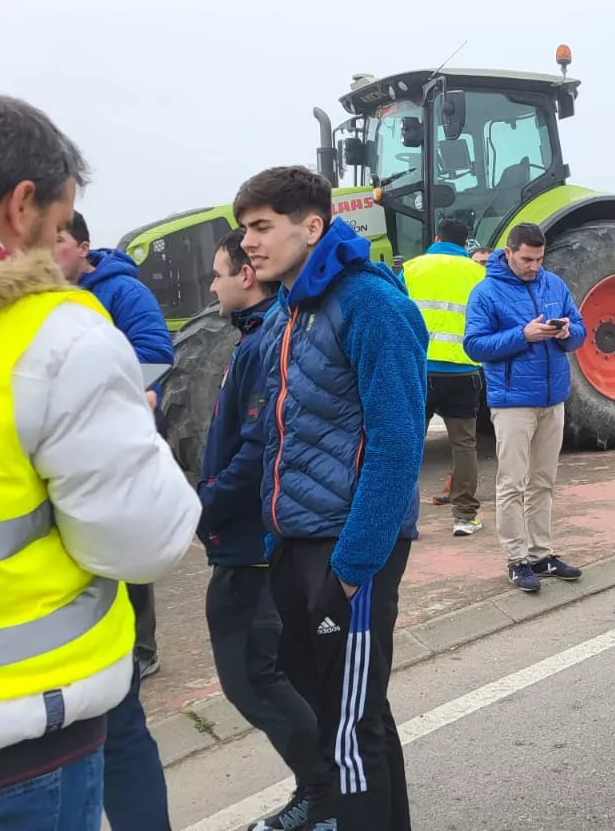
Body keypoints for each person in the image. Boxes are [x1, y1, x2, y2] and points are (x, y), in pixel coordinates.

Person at [0, 93, 198, 829]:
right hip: (8, 740)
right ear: (21, 205)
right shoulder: (49, 333)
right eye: (60, 227)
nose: (63, 252)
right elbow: (145, 540)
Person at [236, 166, 427, 829]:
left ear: (311, 226)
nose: (248, 243)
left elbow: (398, 445)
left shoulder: (369, 303)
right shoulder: (289, 311)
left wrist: (352, 569)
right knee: (350, 716)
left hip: (350, 550)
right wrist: (273, 540)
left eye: (261, 227)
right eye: (245, 229)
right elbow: (284, 436)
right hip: (297, 542)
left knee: (346, 736)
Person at [197, 230, 331, 830]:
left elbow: (258, 450)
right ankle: (326, 792)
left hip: (251, 541)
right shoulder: (253, 338)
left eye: (219, 273)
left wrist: (202, 506)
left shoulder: (262, 343)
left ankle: (323, 797)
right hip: (246, 538)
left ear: (246, 277)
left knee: (254, 678)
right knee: (263, 677)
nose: (212, 284)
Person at [52, 210, 173, 676]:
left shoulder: (124, 292)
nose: (48, 249)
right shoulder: (40, 297)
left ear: (84, 247)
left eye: (58, 239)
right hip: (67, 438)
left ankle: (141, 649)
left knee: (124, 539)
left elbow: (155, 353)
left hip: (120, 433)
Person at [463, 223, 586, 592]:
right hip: (513, 401)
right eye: (527, 259)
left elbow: (580, 329)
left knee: (543, 481)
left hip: (553, 398)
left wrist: (566, 332)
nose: (534, 266)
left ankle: (541, 553)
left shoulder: (554, 284)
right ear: (510, 252)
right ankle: (516, 560)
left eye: (539, 259)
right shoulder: (486, 292)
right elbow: (474, 346)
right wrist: (523, 335)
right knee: (512, 483)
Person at [403, 218, 488, 537]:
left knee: (411, 443)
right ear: (465, 243)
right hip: (463, 370)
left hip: (419, 371)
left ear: (437, 237)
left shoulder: (411, 268)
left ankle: (404, 520)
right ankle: (465, 517)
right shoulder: (478, 273)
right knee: (464, 445)